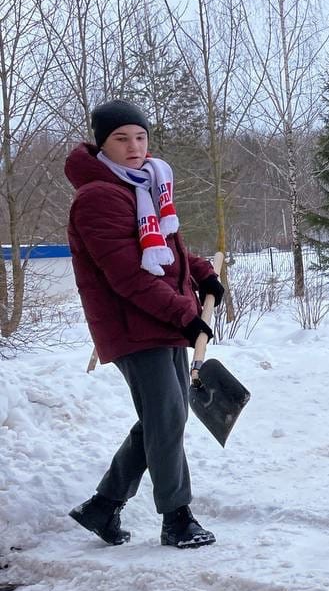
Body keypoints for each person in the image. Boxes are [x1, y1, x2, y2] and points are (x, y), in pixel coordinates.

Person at [66, 98, 221, 549]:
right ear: (102, 144)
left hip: (161, 315)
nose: (134, 147)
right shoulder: (97, 198)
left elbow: (166, 248)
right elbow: (128, 275)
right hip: (132, 324)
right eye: (121, 138)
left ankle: (103, 505)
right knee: (167, 414)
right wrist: (188, 317)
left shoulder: (145, 182)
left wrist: (201, 271)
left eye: (140, 136)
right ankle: (177, 518)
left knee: (164, 416)